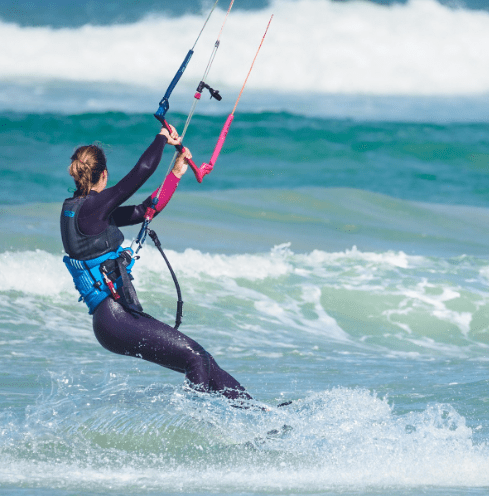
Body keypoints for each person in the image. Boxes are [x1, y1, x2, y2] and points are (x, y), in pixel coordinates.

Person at [60, 125, 252, 402]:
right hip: (114, 316)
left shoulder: (81, 212)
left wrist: (174, 175)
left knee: (203, 359)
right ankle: (199, 424)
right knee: (195, 358)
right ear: (103, 174)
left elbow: (143, 211)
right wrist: (162, 136)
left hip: (113, 318)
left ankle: (254, 413)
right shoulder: (93, 208)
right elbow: (142, 171)